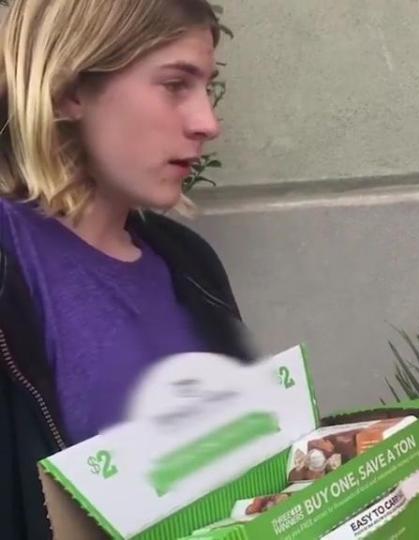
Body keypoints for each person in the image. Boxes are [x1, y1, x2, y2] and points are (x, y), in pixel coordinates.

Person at [0, 1, 256, 537]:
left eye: (206, 86)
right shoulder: (13, 262)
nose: (207, 122)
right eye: (174, 85)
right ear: (69, 88)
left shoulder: (190, 263)